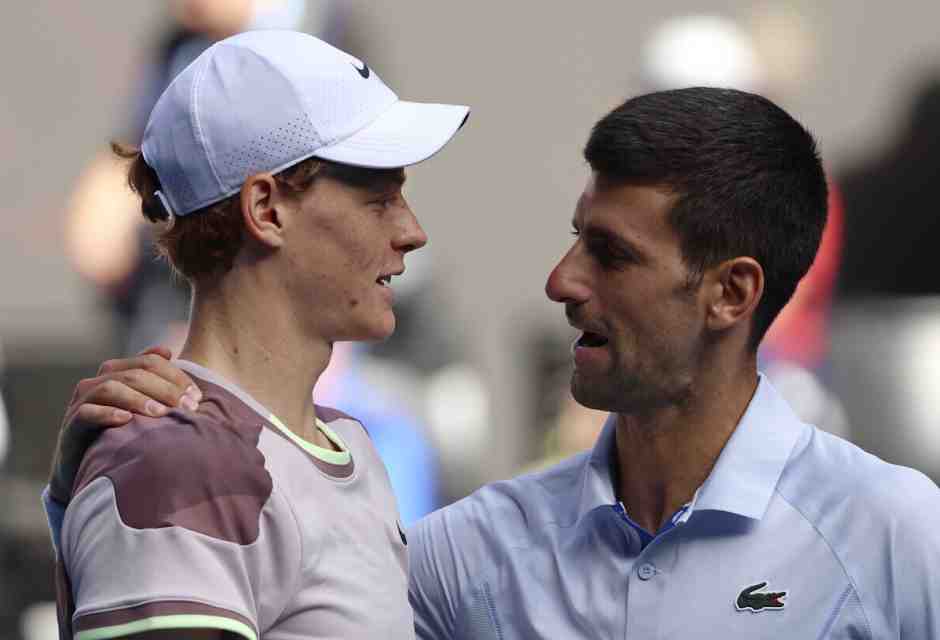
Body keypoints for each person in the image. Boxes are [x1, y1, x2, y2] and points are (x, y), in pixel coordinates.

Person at [48, 88, 940, 637]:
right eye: (573, 239)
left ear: (732, 295)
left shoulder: (897, 535)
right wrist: (91, 487)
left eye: (611, 253)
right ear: (263, 210)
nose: (560, 281)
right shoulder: (461, 556)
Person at [47, 29, 468, 640]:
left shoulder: (349, 445)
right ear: (266, 209)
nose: (412, 231)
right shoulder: (178, 463)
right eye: (380, 199)